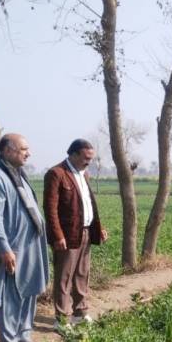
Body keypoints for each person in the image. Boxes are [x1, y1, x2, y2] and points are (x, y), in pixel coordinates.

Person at [0, 133, 49, 342]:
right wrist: (4, 248)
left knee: (29, 290)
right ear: (8, 151)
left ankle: (24, 335)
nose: (28, 154)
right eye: (23, 149)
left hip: (30, 244)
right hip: (12, 247)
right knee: (10, 294)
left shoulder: (17, 173)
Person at [43, 139, 108, 328]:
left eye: (91, 158)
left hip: (85, 231)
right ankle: (62, 318)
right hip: (67, 235)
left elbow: (88, 205)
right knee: (64, 276)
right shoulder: (57, 174)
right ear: (74, 154)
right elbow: (50, 208)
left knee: (82, 274)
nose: (89, 162)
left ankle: (80, 313)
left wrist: (99, 228)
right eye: (86, 158)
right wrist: (57, 235)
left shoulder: (84, 174)